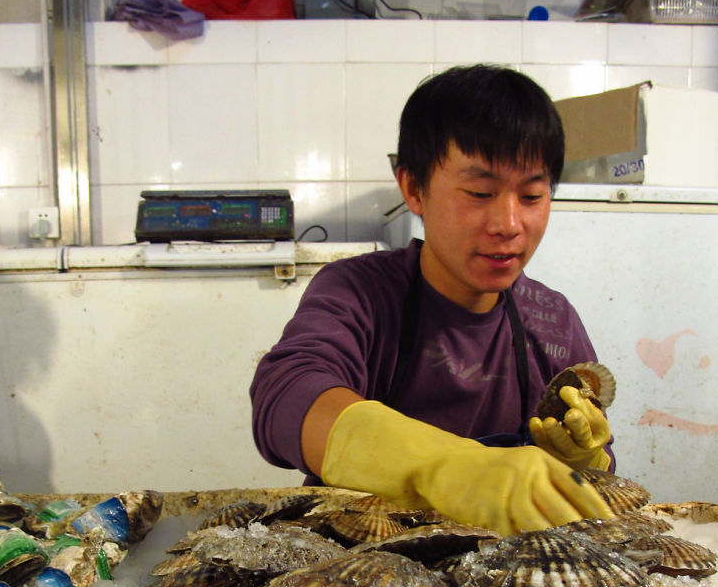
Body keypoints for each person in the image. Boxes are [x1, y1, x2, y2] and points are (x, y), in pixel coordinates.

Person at [250, 64, 614, 535]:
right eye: (480, 192)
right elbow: (286, 398)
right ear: (413, 188)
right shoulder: (360, 293)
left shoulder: (554, 323)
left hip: (503, 586)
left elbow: (599, 489)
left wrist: (583, 464)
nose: (508, 223)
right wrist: (445, 468)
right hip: (357, 574)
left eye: (532, 195)